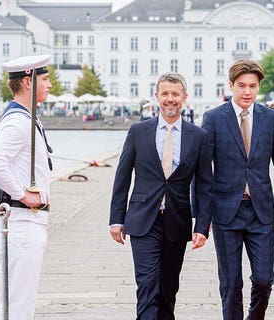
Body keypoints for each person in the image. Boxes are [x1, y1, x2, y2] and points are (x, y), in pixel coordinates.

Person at [109, 72, 213, 320]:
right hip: (143, 220)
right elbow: (122, 177)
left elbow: (204, 185)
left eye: (175, 94)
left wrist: (203, 226)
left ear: (184, 98)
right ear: (156, 97)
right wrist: (116, 218)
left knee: (168, 290)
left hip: (177, 221)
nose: (170, 99)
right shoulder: (138, 131)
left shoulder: (198, 137)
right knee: (147, 285)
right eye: (165, 94)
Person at [201, 59, 274, 320]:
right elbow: (202, 171)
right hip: (225, 213)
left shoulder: (271, 118)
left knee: (264, 278)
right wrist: (202, 217)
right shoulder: (213, 118)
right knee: (231, 284)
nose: (247, 92)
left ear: (258, 88)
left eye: (253, 86)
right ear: (231, 85)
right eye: (241, 86)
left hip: (261, 213)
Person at [0, 54, 54, 320]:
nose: (49, 85)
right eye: (45, 79)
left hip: (23, 222)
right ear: (28, 81)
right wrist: (22, 194)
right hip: (22, 221)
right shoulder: (18, 122)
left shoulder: (25, 118)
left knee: (14, 301)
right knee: (20, 304)